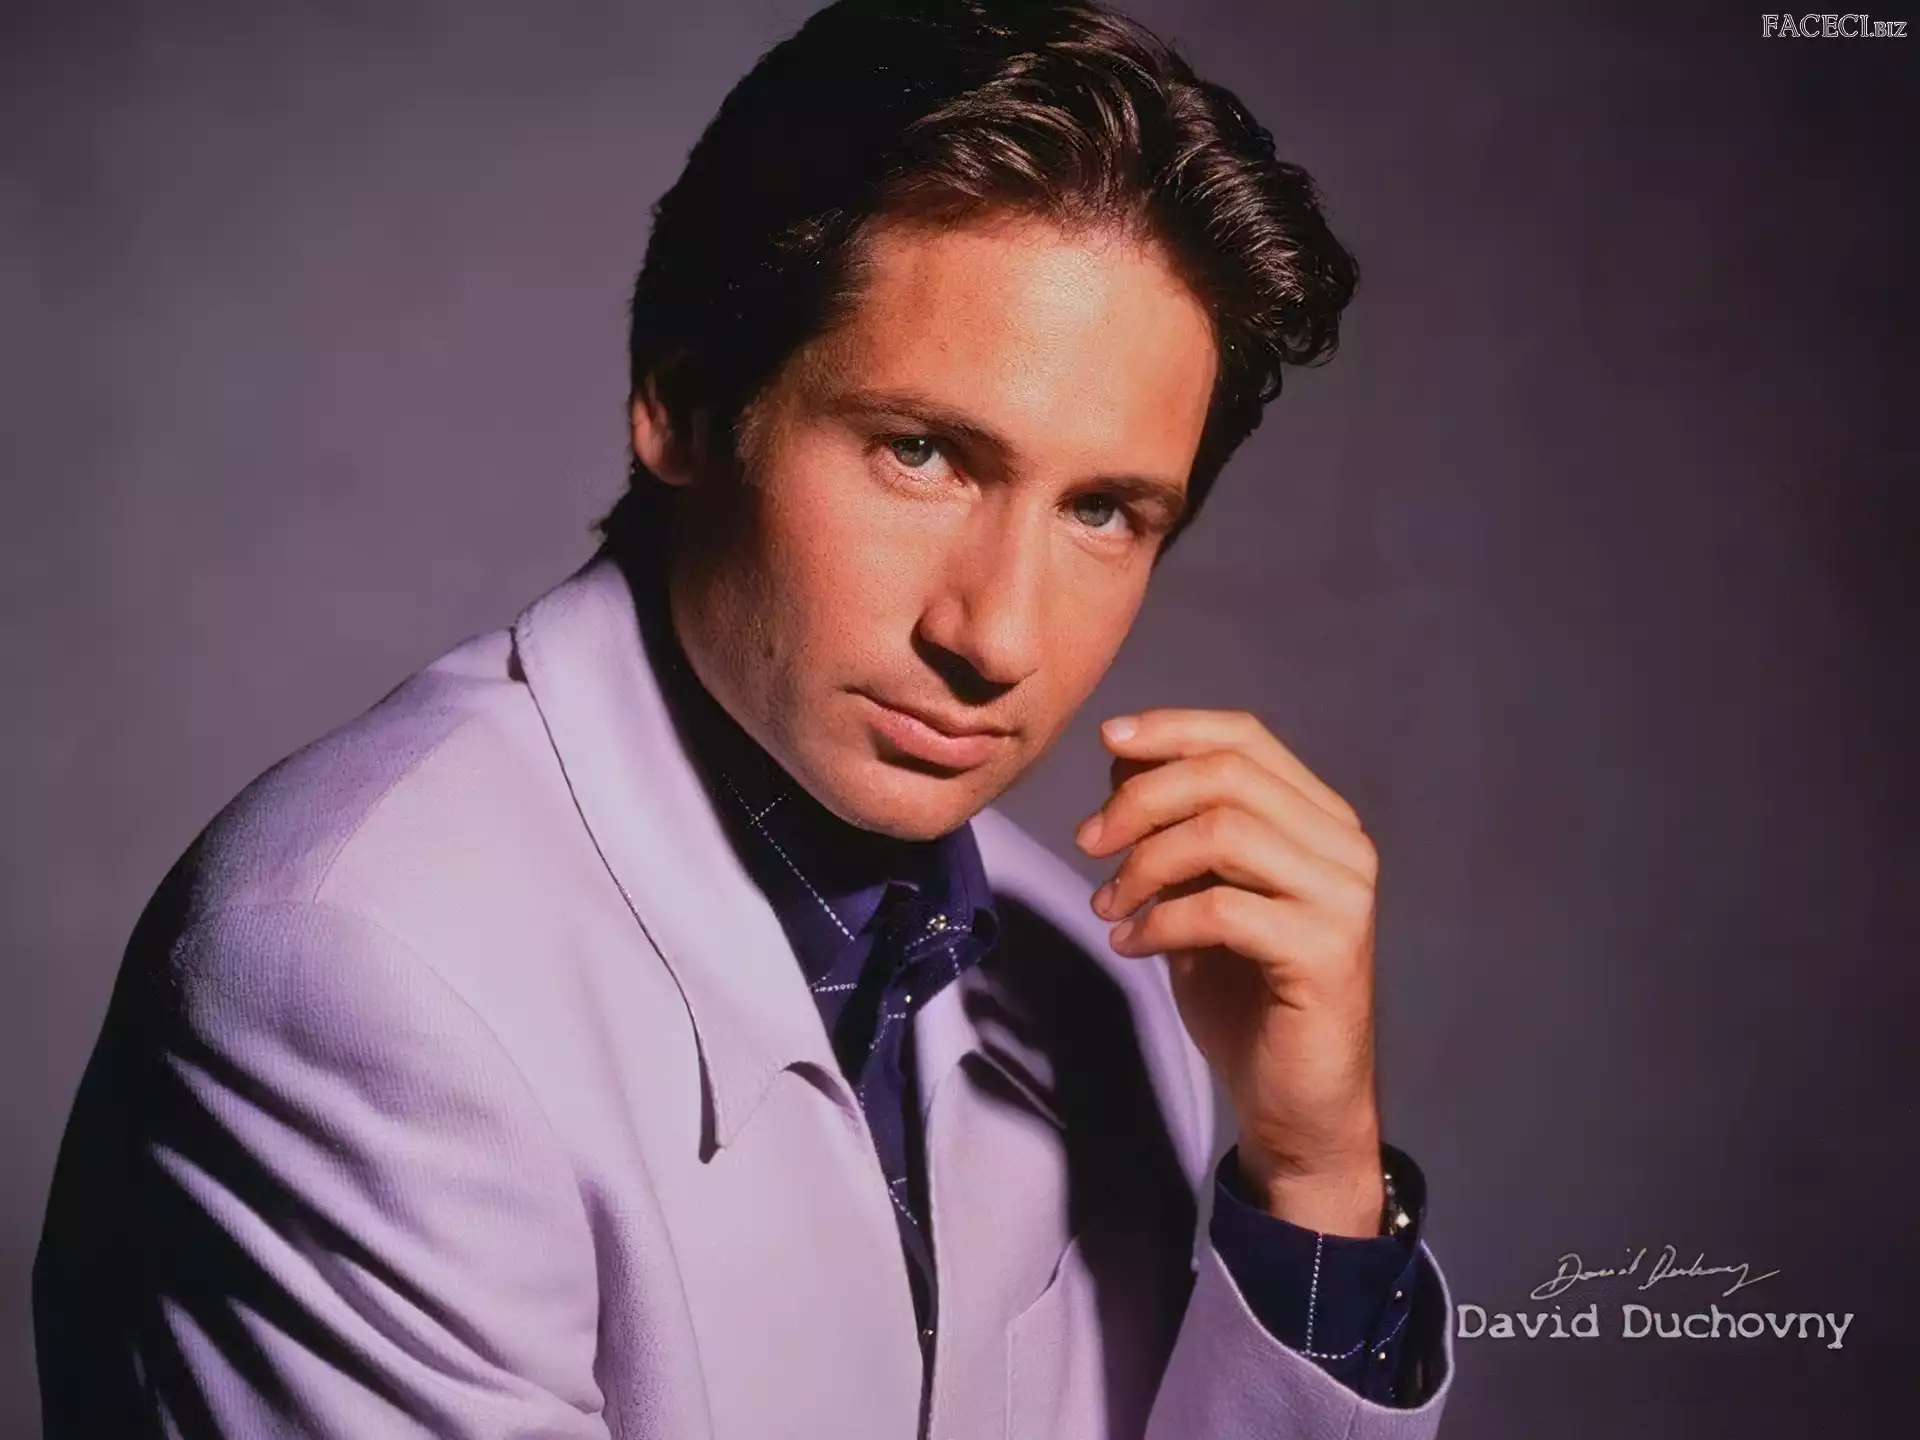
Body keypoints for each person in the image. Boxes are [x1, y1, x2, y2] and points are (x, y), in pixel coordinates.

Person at [32, 1, 1455, 1435]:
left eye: (1103, 511)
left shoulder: (1118, 972)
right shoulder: (349, 968)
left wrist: (1314, 1181)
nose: (998, 637)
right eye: (921, 452)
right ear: (685, 402)